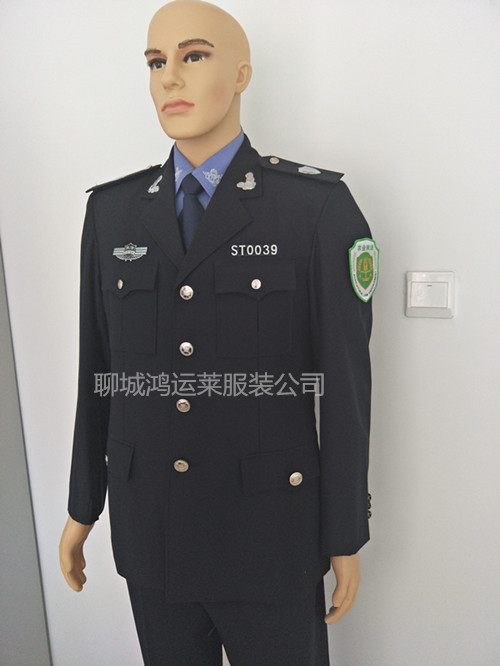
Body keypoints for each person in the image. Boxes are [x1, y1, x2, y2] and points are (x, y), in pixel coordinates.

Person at [59, 1, 377, 664]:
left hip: (269, 536)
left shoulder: (312, 210)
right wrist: (83, 505)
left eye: (194, 55)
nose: (170, 78)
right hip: (152, 534)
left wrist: (344, 532)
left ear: (240, 74)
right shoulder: (113, 213)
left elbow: (345, 390)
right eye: (156, 62)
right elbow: (100, 373)